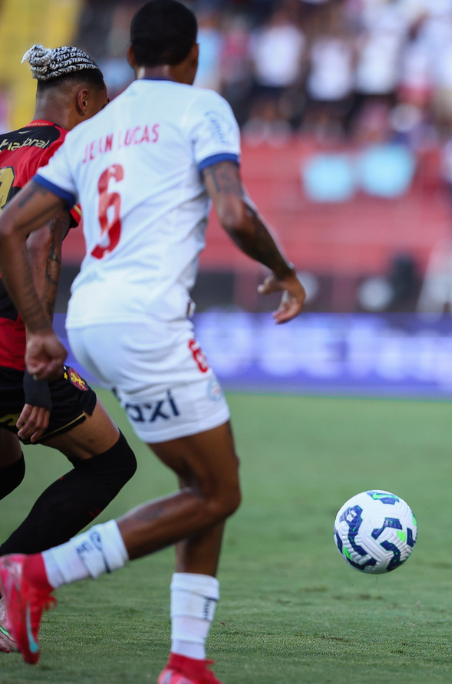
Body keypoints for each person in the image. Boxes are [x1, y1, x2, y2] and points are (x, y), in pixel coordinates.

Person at [0, 3, 305, 682]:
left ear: (132, 56)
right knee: (218, 491)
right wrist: (283, 273)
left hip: (89, 320)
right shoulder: (201, 108)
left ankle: (187, 661)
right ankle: (33, 571)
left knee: (204, 481)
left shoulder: (88, 132)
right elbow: (231, 209)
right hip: (147, 323)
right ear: (193, 54)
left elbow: (11, 229)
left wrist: (42, 331)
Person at [0, 44, 136, 654]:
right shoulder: (66, 152)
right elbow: (37, 246)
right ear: (83, 100)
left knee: (6, 468)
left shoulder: (4, 146)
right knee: (111, 464)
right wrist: (36, 355)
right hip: (7, 346)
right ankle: (6, 580)